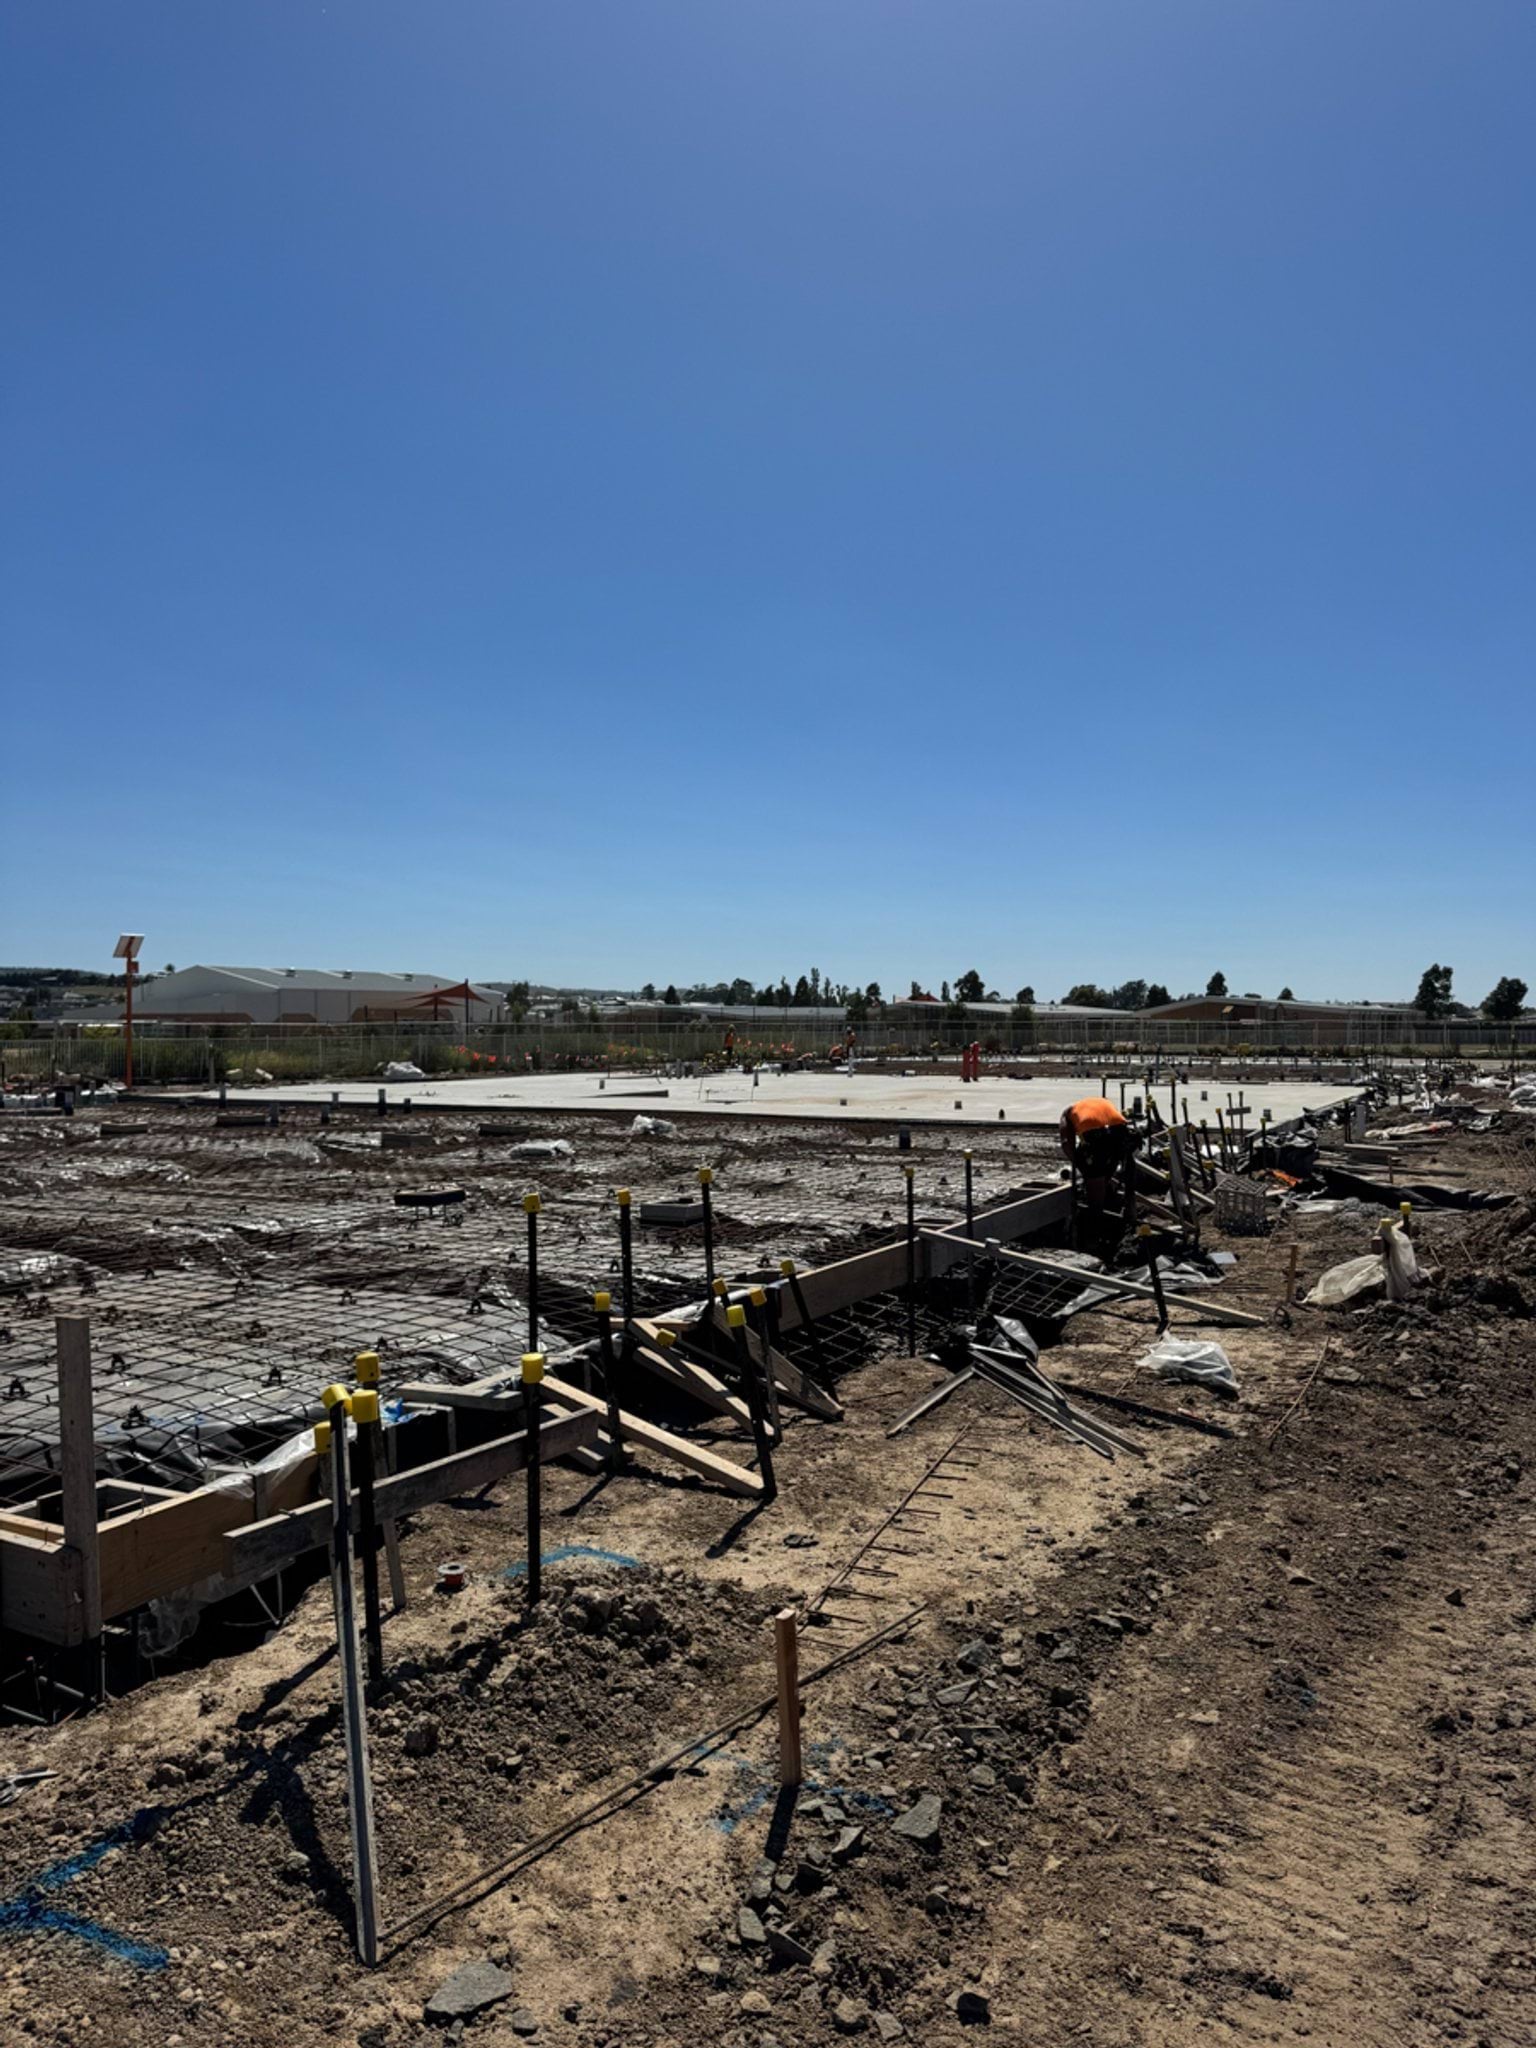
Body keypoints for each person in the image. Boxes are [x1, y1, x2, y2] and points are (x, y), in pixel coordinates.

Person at [1059, 1096, 1135, 1210]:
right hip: (1120, 1135)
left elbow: (1065, 1143)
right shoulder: (1101, 1103)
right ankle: (1112, 1200)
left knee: (1094, 1176)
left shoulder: (1067, 1114)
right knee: (1104, 1167)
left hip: (1098, 1138)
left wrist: (1079, 1164)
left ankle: (1096, 1211)